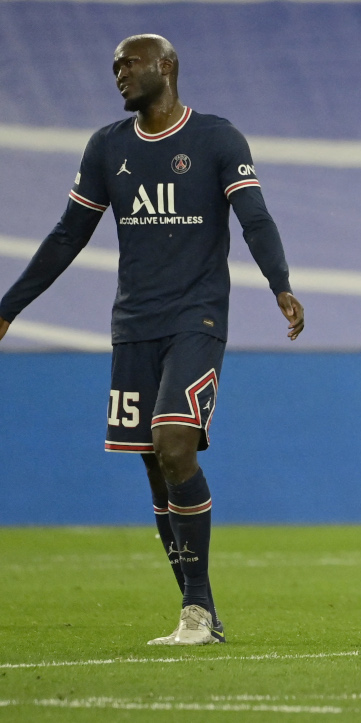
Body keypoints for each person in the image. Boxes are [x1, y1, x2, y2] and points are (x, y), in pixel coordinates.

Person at [0, 34, 304, 645]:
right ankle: (201, 612)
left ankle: (196, 612)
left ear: (166, 68)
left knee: (173, 444)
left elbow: (255, 216)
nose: (119, 75)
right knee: (155, 469)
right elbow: (68, 235)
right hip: (133, 326)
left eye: (130, 64)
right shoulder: (107, 148)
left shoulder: (217, 138)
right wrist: (9, 307)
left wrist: (281, 284)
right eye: (114, 66)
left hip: (197, 320)